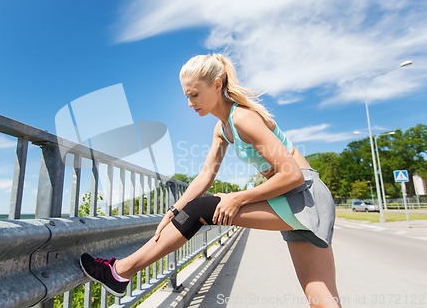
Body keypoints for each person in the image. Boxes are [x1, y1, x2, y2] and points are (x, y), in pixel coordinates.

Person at [80, 53, 341, 307]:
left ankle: (120, 271)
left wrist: (237, 198)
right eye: (186, 96)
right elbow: (206, 175)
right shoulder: (222, 128)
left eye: (195, 94)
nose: (190, 103)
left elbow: (291, 174)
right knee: (322, 300)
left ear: (217, 85)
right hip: (293, 200)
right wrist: (173, 210)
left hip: (304, 195)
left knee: (202, 209)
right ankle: (121, 272)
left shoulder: (243, 118)